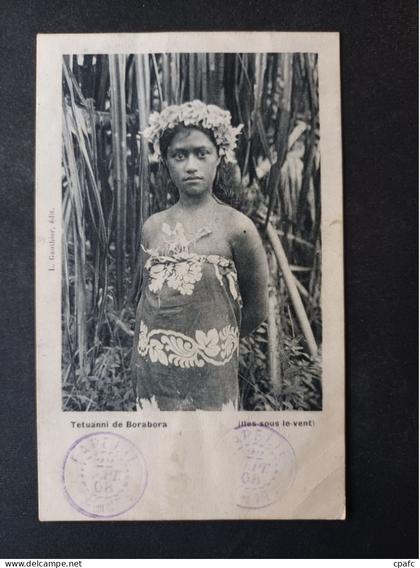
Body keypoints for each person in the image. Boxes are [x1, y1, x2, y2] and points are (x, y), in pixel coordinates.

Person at [131, 100, 268, 411]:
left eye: (200, 153)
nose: (190, 165)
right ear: (165, 161)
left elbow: (257, 309)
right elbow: (144, 302)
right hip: (154, 378)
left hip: (210, 379)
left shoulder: (237, 227)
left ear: (218, 157)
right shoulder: (152, 227)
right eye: (179, 155)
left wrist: (211, 346)